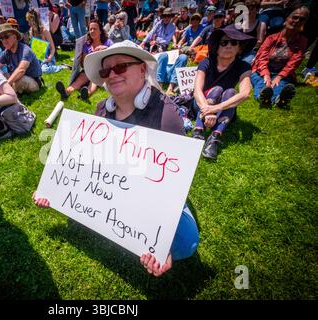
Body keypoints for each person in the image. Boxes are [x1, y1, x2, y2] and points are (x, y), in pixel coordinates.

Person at [34, 40, 199, 277]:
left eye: (120, 67)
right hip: (119, 186)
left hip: (153, 192)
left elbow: (173, 185)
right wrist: (53, 190)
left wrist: (160, 242)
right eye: (105, 71)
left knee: (185, 243)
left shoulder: (166, 114)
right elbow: (88, 163)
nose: (111, 75)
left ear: (142, 69)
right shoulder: (102, 108)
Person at [191, 25, 253, 160]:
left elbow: (245, 93)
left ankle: (215, 137)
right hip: (202, 104)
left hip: (223, 107)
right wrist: (207, 110)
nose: (228, 46)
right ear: (217, 48)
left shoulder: (244, 66)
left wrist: (215, 108)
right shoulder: (206, 62)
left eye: (234, 42)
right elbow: (197, 91)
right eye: (223, 42)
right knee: (217, 89)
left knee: (230, 91)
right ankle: (198, 131)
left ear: (239, 48)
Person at [251, 6, 309, 108]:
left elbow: (295, 61)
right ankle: (262, 96)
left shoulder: (302, 41)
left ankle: (278, 100)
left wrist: (279, 77)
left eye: (302, 19)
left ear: (304, 23)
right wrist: (266, 74)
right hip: (261, 70)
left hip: (282, 73)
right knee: (261, 82)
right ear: (287, 18)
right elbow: (262, 57)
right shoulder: (271, 38)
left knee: (280, 84)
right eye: (295, 17)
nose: (297, 21)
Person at [55, 19, 113, 100]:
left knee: (94, 81)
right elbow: (83, 64)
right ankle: (66, 92)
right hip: (88, 69)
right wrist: (86, 58)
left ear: (100, 31)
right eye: (90, 29)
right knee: (79, 80)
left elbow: (114, 55)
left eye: (95, 29)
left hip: (101, 71)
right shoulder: (86, 44)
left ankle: (86, 94)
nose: (92, 31)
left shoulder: (108, 42)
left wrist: (105, 48)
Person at [0, 23, 43, 94]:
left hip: (33, 81)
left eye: (6, 37)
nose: (4, 41)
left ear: (15, 37)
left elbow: (21, 70)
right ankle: (5, 93)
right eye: (1, 38)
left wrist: (6, 84)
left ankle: (5, 95)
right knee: (1, 75)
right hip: (16, 80)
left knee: (20, 80)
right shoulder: (7, 52)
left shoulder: (25, 50)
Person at [26, 8, 65, 74]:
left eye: (29, 20)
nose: (28, 22)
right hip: (37, 58)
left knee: (44, 70)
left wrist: (49, 58)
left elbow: (53, 48)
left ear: (33, 20)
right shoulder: (31, 31)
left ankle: (62, 67)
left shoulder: (44, 31)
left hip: (47, 58)